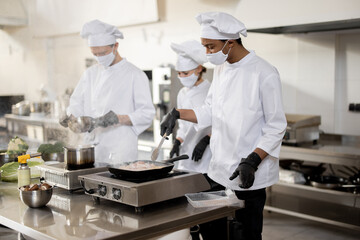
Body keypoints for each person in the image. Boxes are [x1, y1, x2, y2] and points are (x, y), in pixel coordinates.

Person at [160, 12, 287, 240]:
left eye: (211, 47)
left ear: (230, 42)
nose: (207, 53)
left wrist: (253, 160)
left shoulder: (264, 73)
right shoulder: (221, 69)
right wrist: (178, 113)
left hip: (249, 173)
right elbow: (210, 110)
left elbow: (276, 126)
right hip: (218, 169)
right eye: (205, 47)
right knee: (214, 230)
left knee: (245, 234)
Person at [60, 19, 155, 164]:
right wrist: (70, 116)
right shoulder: (90, 74)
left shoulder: (134, 74)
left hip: (120, 151)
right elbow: (77, 102)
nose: (100, 58)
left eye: (103, 53)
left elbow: (147, 114)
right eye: (95, 54)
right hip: (92, 149)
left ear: (115, 46)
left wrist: (117, 118)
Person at [169, 40, 211, 174]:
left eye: (185, 73)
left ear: (199, 68)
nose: (181, 77)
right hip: (186, 153)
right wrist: (178, 141)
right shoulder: (182, 93)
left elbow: (220, 121)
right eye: (179, 73)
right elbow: (183, 125)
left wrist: (207, 139)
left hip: (207, 153)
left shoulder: (210, 90)